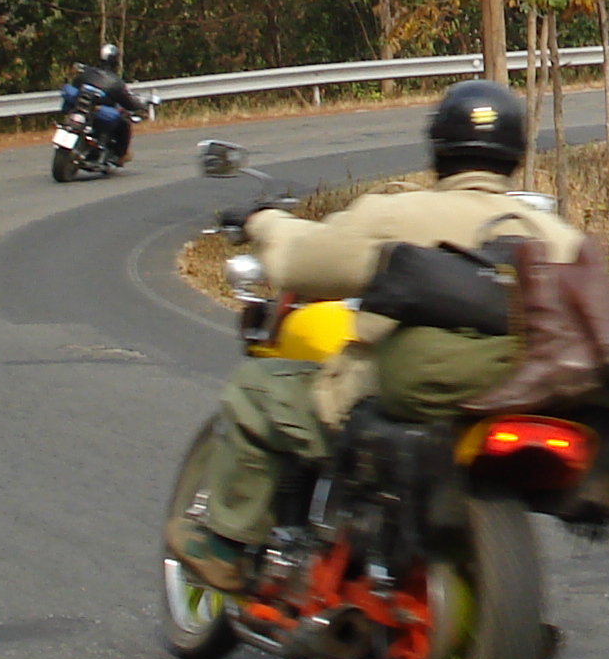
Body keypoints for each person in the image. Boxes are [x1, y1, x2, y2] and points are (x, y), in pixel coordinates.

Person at [165, 78, 580, 595]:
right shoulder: (559, 234)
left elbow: (302, 263)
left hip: (417, 397)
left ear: (440, 150)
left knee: (256, 388)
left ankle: (225, 547)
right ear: (516, 152)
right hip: (524, 396)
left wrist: (264, 221)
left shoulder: (399, 213)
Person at [62, 42, 141, 165]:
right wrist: (140, 105)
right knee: (124, 122)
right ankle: (120, 154)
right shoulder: (116, 82)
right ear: (115, 60)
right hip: (94, 114)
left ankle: (101, 147)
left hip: (82, 111)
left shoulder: (86, 73)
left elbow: (75, 84)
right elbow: (128, 102)